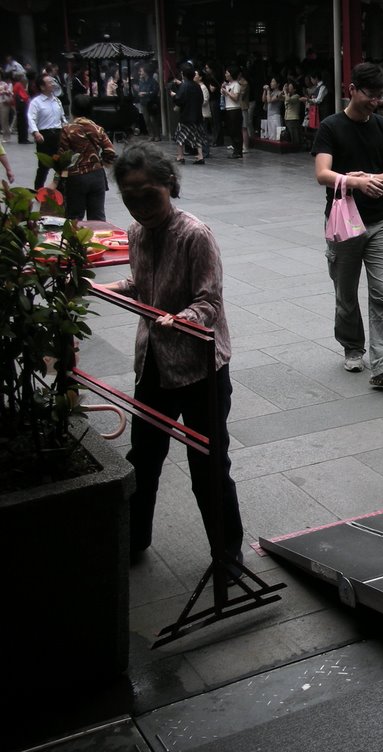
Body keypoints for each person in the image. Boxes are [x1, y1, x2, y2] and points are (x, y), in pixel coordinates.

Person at [101, 142, 244, 567]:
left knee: (208, 465)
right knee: (143, 458)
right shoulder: (136, 233)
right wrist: (113, 289)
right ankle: (135, 539)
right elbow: (142, 282)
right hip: (154, 364)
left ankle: (228, 554)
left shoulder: (194, 234)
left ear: (170, 184)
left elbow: (209, 301)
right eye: (130, 197)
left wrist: (181, 318)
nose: (141, 206)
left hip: (201, 369)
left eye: (149, 194)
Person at [312, 62, 383, 388]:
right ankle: (353, 346)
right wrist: (352, 181)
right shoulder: (330, 127)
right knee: (346, 293)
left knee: (382, 292)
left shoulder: (382, 127)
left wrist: (368, 180)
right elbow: (322, 172)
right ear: (351, 90)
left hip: (379, 221)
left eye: (380, 95)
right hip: (343, 223)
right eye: (370, 94)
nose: (376, 101)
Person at [54, 95, 117, 220]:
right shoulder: (97, 129)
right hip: (97, 176)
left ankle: (75, 240)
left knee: (74, 218)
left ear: (73, 110)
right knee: (98, 218)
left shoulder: (67, 130)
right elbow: (110, 151)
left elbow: (63, 158)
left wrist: (57, 179)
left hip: (75, 178)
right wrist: (101, 163)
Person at [27, 75, 66, 189]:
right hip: (45, 136)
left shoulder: (57, 101)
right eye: (49, 82)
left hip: (58, 135)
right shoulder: (36, 102)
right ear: (42, 87)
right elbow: (31, 118)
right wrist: (35, 132)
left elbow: (62, 117)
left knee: (61, 164)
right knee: (44, 165)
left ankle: (61, 188)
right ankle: (38, 190)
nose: (52, 84)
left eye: (52, 82)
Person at [170, 64, 206, 165]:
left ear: (183, 74)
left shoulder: (184, 86)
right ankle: (200, 156)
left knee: (180, 136)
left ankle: (180, 156)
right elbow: (201, 99)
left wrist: (174, 96)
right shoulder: (197, 86)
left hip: (186, 115)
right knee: (197, 136)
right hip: (197, 115)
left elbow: (179, 99)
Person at [221, 66, 244, 158]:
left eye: (227, 73)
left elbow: (235, 98)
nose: (226, 75)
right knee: (231, 131)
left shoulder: (236, 85)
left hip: (235, 110)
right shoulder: (228, 85)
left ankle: (238, 151)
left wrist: (226, 92)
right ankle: (235, 150)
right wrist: (223, 89)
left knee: (236, 131)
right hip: (228, 109)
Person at [136, 65, 160, 140]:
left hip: (151, 103)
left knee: (153, 120)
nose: (140, 73)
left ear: (146, 72)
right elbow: (140, 90)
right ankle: (151, 135)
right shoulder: (141, 81)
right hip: (143, 103)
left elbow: (155, 92)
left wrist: (145, 93)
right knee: (147, 120)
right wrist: (139, 93)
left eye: (142, 71)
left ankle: (157, 135)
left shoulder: (153, 81)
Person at [282, 80, 303, 146]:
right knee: (289, 136)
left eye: (290, 87)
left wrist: (285, 92)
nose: (289, 89)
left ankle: (297, 148)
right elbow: (279, 97)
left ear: (294, 89)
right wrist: (283, 90)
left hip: (293, 118)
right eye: (288, 87)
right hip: (287, 118)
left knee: (294, 136)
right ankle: (292, 147)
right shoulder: (287, 95)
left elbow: (288, 100)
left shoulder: (297, 96)